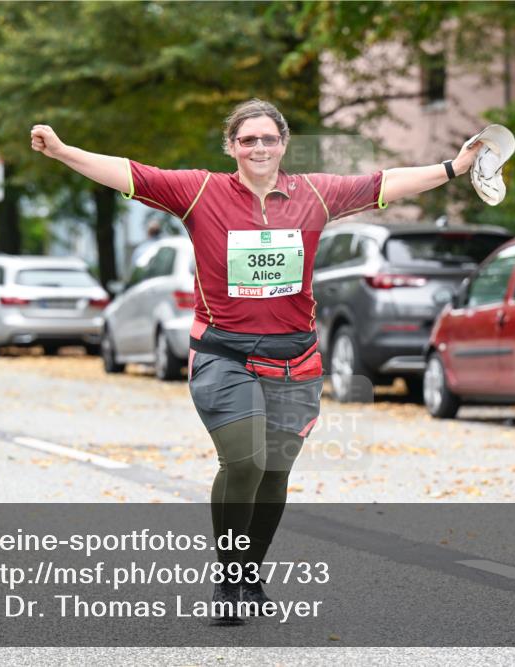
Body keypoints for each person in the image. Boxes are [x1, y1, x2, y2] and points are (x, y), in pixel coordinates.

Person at [31, 99, 481, 625]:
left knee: (274, 472)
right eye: (248, 140)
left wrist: (454, 167)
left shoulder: (314, 193)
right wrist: (63, 153)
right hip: (224, 355)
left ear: (282, 144)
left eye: (268, 139)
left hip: (295, 359)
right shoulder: (201, 191)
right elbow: (129, 173)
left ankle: (249, 573)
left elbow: (386, 182)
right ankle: (228, 576)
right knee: (244, 460)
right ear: (232, 147)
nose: (259, 148)